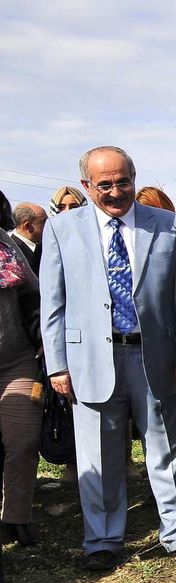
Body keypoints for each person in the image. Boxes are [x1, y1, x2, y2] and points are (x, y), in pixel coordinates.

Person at [40, 146, 176, 571]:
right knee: (99, 455)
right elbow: (52, 304)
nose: (115, 192)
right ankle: (102, 540)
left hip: (155, 354)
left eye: (123, 181)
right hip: (89, 356)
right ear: (86, 186)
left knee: (167, 446)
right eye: (104, 185)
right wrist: (57, 365)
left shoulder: (167, 224)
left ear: (134, 176)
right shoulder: (61, 229)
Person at [0, 198, 42, 548]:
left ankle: (17, 516)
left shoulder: (8, 248)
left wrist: (43, 337)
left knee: (23, 440)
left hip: (16, 361)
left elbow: (34, 297)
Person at [10, 203, 47, 275]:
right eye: (44, 221)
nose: (48, 225)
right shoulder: (11, 253)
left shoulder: (43, 247)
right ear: (28, 226)